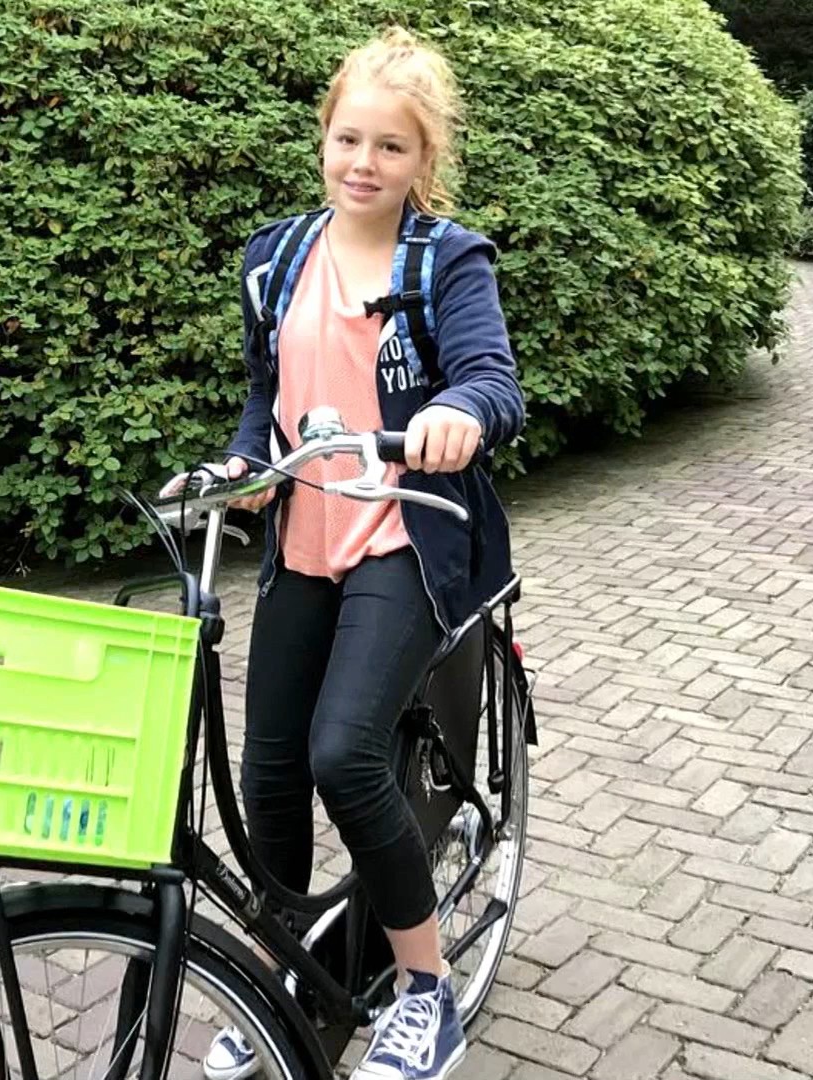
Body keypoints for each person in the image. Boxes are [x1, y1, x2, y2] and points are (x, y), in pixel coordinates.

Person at [173, 25, 526, 1080]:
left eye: (391, 147)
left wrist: (458, 412)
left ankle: (424, 994)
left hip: (405, 533)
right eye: (348, 139)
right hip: (307, 533)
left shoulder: (446, 259)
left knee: (344, 754)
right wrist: (239, 467)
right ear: (323, 137)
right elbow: (265, 397)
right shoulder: (275, 258)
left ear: (424, 159)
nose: (364, 163)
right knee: (270, 773)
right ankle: (286, 978)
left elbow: (493, 382)